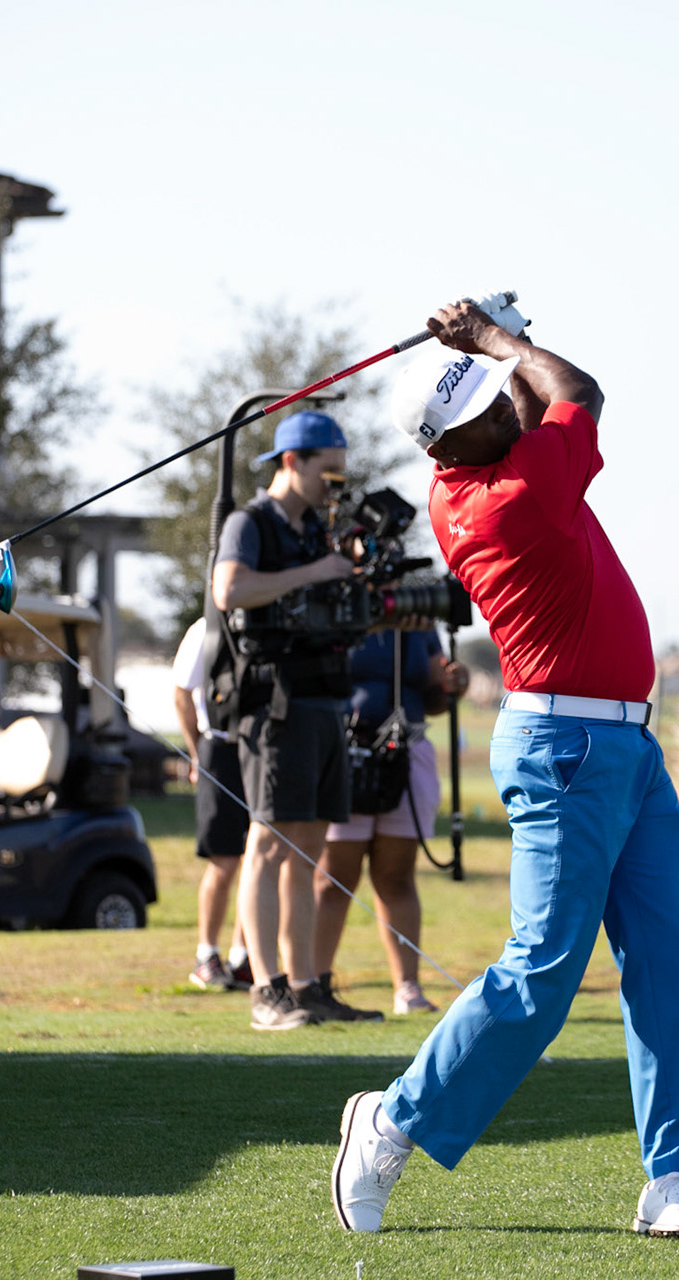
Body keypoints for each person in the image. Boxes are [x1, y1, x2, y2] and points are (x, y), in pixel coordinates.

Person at [333, 301, 679, 1240]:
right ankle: (390, 1123)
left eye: (499, 396)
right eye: (485, 408)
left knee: (669, 964)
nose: (506, 406)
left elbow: (537, 401)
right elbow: (578, 390)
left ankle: (671, 1179)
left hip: (627, 748)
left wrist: (497, 341)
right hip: (566, 749)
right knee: (540, 973)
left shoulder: (485, 473)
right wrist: (498, 338)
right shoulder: (514, 494)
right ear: (448, 443)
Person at [210, 410, 379, 1029]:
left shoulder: (316, 530)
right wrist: (316, 572)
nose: (335, 485)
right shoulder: (250, 523)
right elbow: (229, 590)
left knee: (308, 847)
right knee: (268, 841)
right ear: (291, 461)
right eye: (327, 472)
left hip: (324, 698)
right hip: (274, 705)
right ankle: (265, 990)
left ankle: (307, 987)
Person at [314, 627, 470, 1017]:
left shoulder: (419, 621)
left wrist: (453, 685)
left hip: (405, 753)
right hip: (344, 752)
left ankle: (407, 988)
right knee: (333, 878)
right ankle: (315, 983)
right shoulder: (339, 609)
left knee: (396, 876)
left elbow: (433, 698)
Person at [170, 616, 253, 990]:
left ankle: (243, 956)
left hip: (260, 749)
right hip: (218, 747)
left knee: (257, 857)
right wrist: (195, 753)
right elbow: (181, 693)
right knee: (224, 859)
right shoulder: (205, 629)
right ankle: (206, 955)